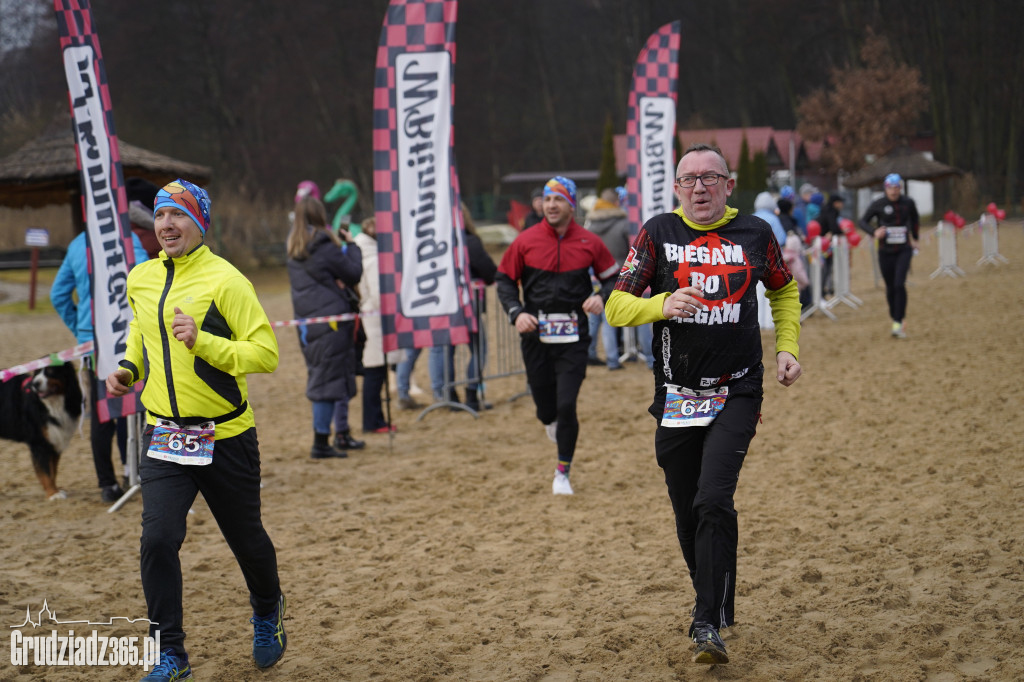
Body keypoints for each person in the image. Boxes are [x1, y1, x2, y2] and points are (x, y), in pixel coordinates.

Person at [605, 144, 802, 665]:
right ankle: (717, 595)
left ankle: (705, 621)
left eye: (711, 177)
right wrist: (660, 304)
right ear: (675, 187)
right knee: (688, 510)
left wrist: (787, 348)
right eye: (689, 179)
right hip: (676, 396)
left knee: (713, 497)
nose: (700, 187)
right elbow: (615, 305)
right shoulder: (657, 232)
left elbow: (784, 292)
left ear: (728, 185)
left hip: (738, 387)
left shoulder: (756, 234)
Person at [104, 179, 286, 679]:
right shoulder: (141, 277)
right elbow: (142, 329)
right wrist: (128, 367)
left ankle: (267, 610)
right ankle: (170, 654)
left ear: (199, 224)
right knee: (157, 540)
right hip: (164, 435)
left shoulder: (228, 281)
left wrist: (204, 342)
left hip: (225, 435)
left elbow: (266, 354)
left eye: (179, 215)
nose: (167, 224)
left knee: (246, 539)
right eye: (161, 215)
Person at [496, 176, 618, 495]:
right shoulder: (525, 240)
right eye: (548, 199)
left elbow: (615, 278)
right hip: (535, 335)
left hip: (574, 337)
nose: (551, 205)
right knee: (546, 409)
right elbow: (505, 280)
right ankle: (550, 422)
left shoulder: (590, 242)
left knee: (566, 406)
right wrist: (516, 313)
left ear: (572, 206)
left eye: (559, 199)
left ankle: (562, 472)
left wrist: (601, 297)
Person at [51, 227, 149, 503]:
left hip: (92, 344)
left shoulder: (77, 245)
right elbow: (145, 275)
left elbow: (58, 296)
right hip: (124, 336)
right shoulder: (127, 238)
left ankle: (107, 483)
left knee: (101, 411)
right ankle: (134, 471)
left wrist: (81, 330)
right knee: (132, 407)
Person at [286, 195, 364, 458]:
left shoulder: (294, 249)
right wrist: (352, 246)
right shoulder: (323, 246)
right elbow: (352, 273)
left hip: (308, 323)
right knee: (327, 383)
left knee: (322, 378)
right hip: (331, 321)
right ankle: (321, 441)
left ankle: (329, 436)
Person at [430, 202, 498, 411]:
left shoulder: (433, 244)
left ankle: (449, 395)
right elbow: (489, 271)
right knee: (478, 350)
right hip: (470, 306)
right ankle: (471, 393)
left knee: (446, 351)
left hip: (443, 306)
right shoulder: (470, 241)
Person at [859, 173, 919, 338]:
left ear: (900, 188)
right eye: (890, 188)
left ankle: (898, 322)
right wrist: (874, 231)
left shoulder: (908, 202)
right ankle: (895, 316)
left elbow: (915, 219)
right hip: (885, 251)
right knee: (890, 287)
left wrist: (916, 238)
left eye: (896, 187)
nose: (894, 191)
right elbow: (862, 221)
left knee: (900, 284)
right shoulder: (878, 204)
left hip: (904, 249)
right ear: (885, 188)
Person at [353, 215, 397, 433]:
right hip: (376, 320)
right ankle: (374, 421)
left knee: (375, 373)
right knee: (375, 374)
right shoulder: (373, 258)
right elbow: (381, 294)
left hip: (370, 318)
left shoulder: (362, 253)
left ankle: (375, 419)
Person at [584, 187, 632, 371]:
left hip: (593, 273)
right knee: (609, 317)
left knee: (594, 316)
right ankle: (612, 359)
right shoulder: (623, 223)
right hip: (616, 274)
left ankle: (590, 352)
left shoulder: (590, 223)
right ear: (616, 202)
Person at [819, 193, 845, 296]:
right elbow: (833, 226)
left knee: (825, 268)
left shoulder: (825, 209)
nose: (842, 205)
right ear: (836, 203)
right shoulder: (832, 211)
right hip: (825, 243)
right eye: (840, 202)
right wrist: (841, 232)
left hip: (822, 242)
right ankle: (822, 291)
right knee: (825, 268)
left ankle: (823, 290)